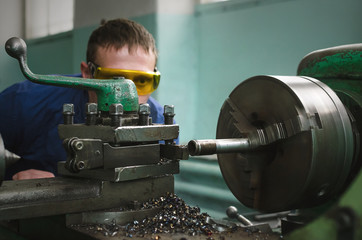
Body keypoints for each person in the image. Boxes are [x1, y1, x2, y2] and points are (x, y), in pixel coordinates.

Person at [0, 18, 169, 180]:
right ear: (87, 72)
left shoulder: (159, 121)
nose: (127, 95)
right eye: (113, 80)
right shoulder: (23, 102)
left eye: (141, 81)